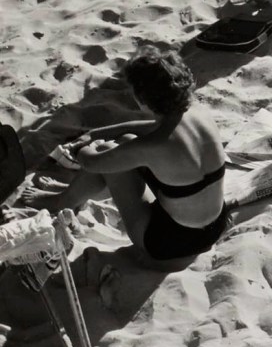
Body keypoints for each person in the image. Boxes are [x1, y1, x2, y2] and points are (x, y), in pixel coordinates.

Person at [46, 46, 230, 267]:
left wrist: (82, 147)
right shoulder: (197, 114)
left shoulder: (154, 145)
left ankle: (63, 202)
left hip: (171, 243)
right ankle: (70, 199)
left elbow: (92, 162)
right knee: (124, 143)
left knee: (107, 153)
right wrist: (97, 132)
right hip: (215, 226)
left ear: (143, 99)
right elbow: (151, 127)